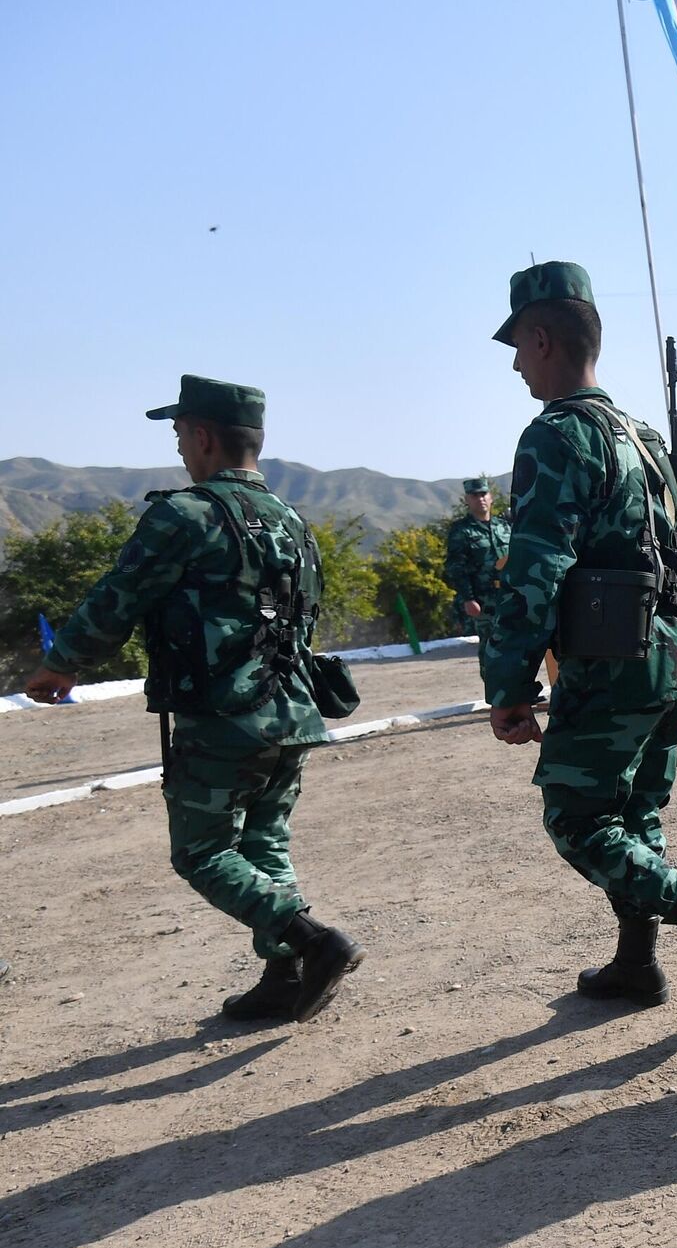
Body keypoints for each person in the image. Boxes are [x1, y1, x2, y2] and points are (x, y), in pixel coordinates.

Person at [21, 376, 363, 1025]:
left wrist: (62, 664)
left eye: (180, 435)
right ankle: (282, 975)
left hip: (225, 719)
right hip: (292, 715)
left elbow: (119, 595)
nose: (179, 450)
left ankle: (317, 942)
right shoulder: (295, 521)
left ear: (203, 436)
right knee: (264, 842)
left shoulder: (185, 516)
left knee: (202, 852)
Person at [485, 261, 677, 1015]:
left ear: (542, 338)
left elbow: (536, 569)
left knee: (577, 818)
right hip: (672, 658)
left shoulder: (556, 435)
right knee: (635, 814)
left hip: (614, 663)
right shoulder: (638, 436)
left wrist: (509, 685)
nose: (515, 363)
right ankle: (637, 964)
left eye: (517, 346)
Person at [443, 476, 512, 681]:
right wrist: (468, 598)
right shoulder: (461, 531)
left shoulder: (504, 526)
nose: (480, 499)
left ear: (491, 498)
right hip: (484, 599)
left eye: (483, 494)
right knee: (490, 645)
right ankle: (496, 692)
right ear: (467, 500)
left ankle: (519, 691)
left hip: (509, 594)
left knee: (515, 642)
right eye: (474, 496)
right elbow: (456, 567)